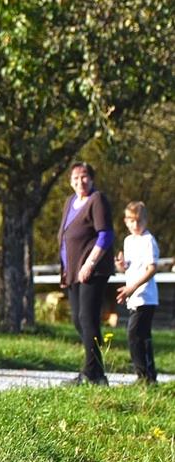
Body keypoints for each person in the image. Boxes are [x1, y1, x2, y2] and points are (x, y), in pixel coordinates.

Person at [57, 162, 114, 386]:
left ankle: (91, 373)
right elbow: (65, 237)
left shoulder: (97, 200)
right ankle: (97, 372)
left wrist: (89, 263)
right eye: (75, 178)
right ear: (70, 181)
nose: (80, 182)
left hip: (92, 270)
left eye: (84, 177)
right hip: (73, 272)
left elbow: (105, 235)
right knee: (78, 320)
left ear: (91, 179)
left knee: (87, 319)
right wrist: (64, 270)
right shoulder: (70, 202)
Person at [115, 201, 159, 386]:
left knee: (135, 334)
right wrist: (121, 267)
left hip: (145, 296)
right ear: (126, 221)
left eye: (139, 220)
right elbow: (129, 269)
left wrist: (132, 287)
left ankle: (145, 375)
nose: (135, 225)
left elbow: (151, 269)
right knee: (140, 335)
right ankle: (147, 376)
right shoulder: (128, 241)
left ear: (145, 220)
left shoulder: (148, 241)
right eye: (131, 221)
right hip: (133, 297)